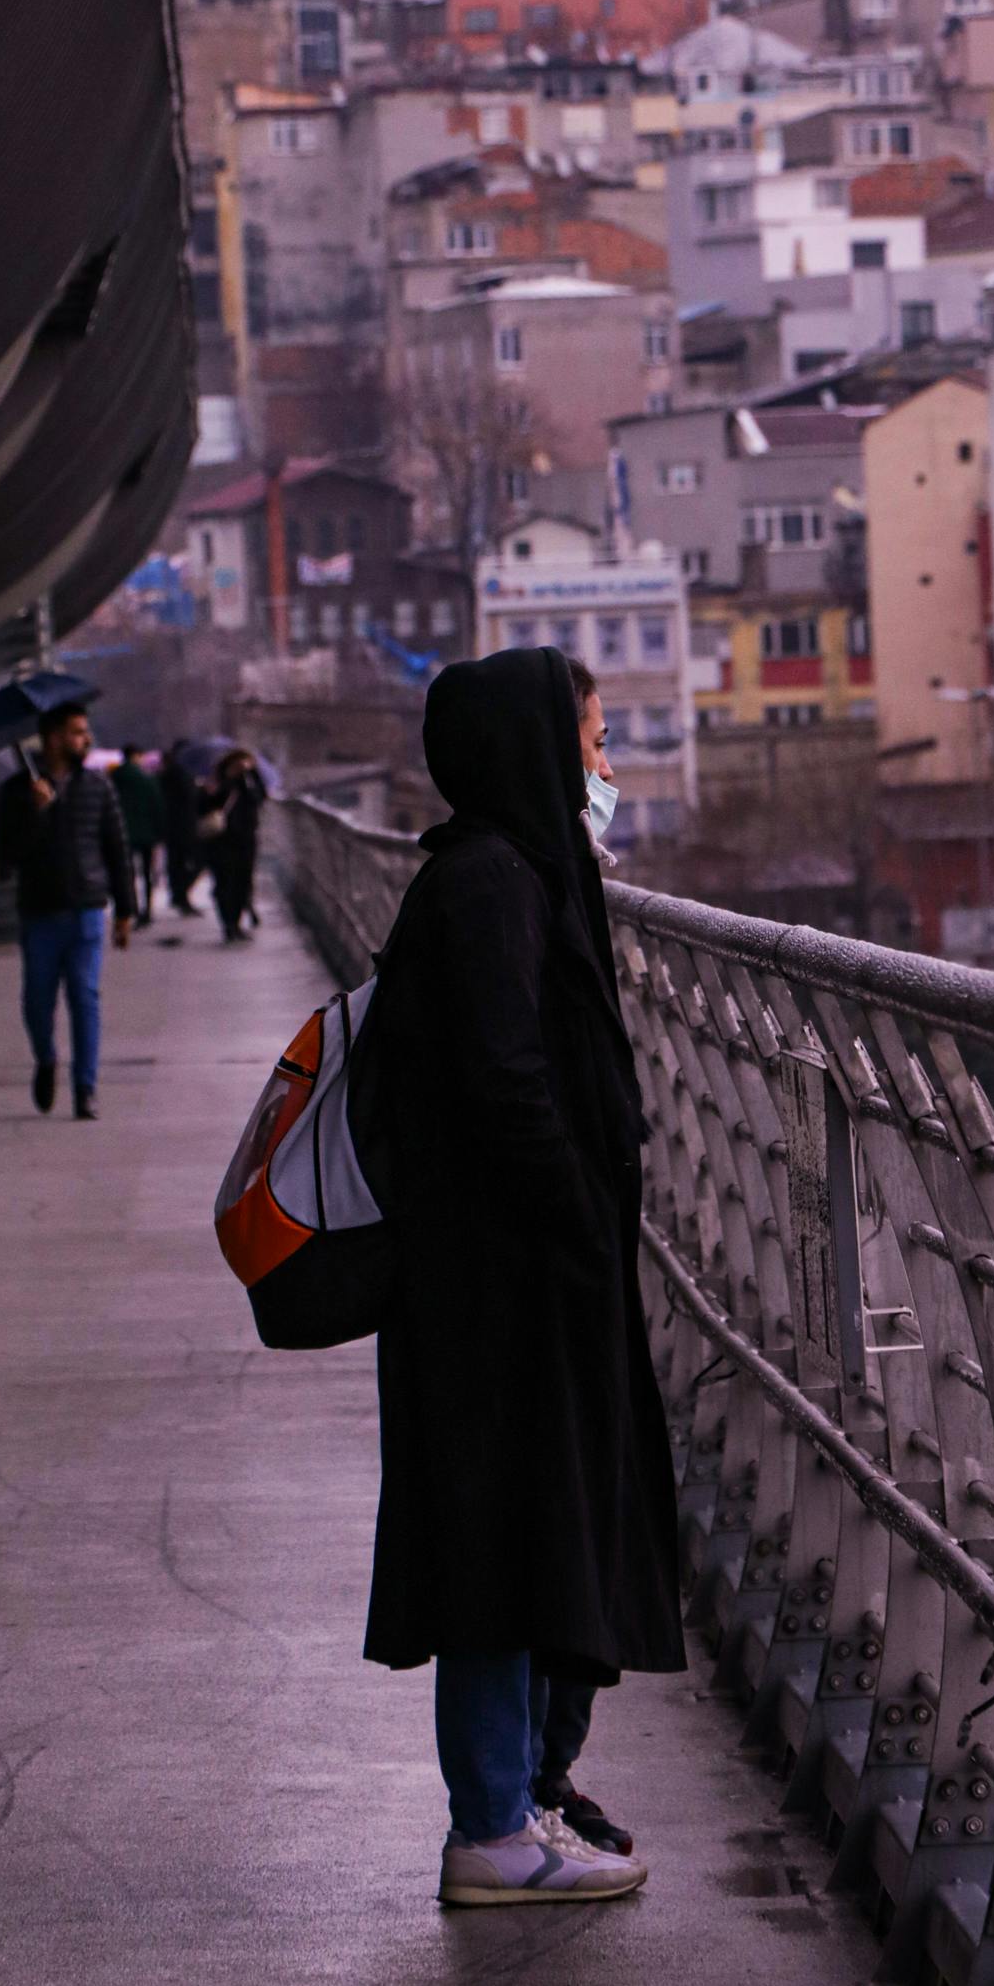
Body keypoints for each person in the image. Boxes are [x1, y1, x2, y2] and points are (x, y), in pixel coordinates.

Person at [353, 645, 682, 1905]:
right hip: (497, 1280)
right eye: (590, 744)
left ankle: (526, 1797)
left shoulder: (512, 874)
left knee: (538, 1527)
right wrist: (571, 1212)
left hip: (521, 1272)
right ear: (534, 751)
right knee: (495, 1540)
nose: (603, 769)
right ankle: (490, 1825)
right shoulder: (491, 885)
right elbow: (503, 1078)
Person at [0, 704, 135, 1120]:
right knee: (37, 1001)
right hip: (39, 912)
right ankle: (45, 1059)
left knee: (84, 996)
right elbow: (9, 856)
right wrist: (36, 812)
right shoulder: (17, 791)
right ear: (54, 738)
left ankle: (85, 1087)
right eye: (77, 733)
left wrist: (125, 910)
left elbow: (116, 848)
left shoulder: (98, 786)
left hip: (88, 909)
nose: (85, 740)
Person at [200, 748, 267, 945]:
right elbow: (206, 803)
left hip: (246, 838)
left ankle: (235, 924)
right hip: (221, 840)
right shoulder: (217, 781)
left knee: (242, 881)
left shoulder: (249, 782)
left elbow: (260, 797)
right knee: (224, 883)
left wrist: (252, 773)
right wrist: (230, 780)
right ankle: (227, 924)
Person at [110, 745, 165, 925]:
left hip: (122, 832)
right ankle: (147, 909)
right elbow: (157, 806)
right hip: (147, 833)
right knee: (148, 872)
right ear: (137, 756)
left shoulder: (113, 778)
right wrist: (159, 832)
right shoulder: (147, 779)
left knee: (127, 872)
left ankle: (130, 907)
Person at [159, 739, 204, 915]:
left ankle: (179, 895)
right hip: (180, 827)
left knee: (179, 863)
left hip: (179, 826)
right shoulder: (177, 773)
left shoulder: (179, 772)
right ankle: (180, 895)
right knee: (188, 861)